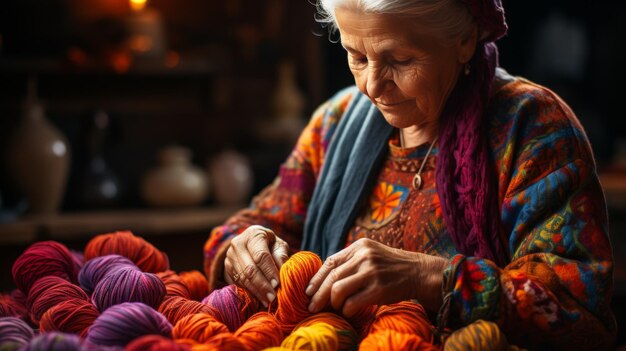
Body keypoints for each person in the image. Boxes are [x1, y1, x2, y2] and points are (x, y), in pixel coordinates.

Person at [204, 0, 617, 348]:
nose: (371, 87)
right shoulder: (337, 122)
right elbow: (247, 228)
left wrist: (428, 278)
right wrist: (243, 249)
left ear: (464, 40)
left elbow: (580, 311)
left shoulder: (532, 128)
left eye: (400, 60)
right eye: (356, 56)